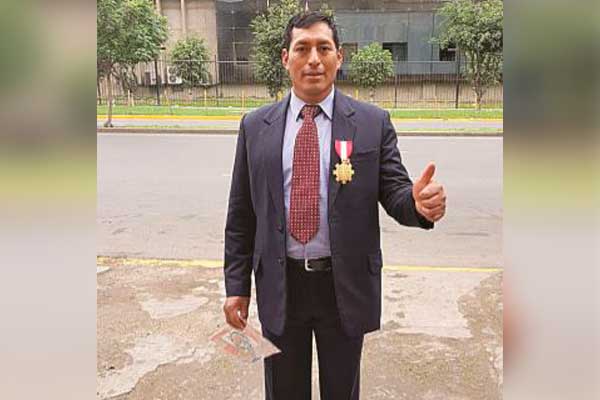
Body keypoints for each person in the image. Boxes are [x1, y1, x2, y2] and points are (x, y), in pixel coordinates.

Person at [223, 11, 446, 400]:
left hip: (343, 286)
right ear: (285, 58)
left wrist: (417, 204)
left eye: (323, 48)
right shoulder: (256, 126)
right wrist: (237, 286)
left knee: (342, 391)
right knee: (283, 391)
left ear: (339, 57)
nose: (313, 59)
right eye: (302, 48)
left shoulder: (371, 123)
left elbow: (396, 192)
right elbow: (241, 214)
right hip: (281, 285)